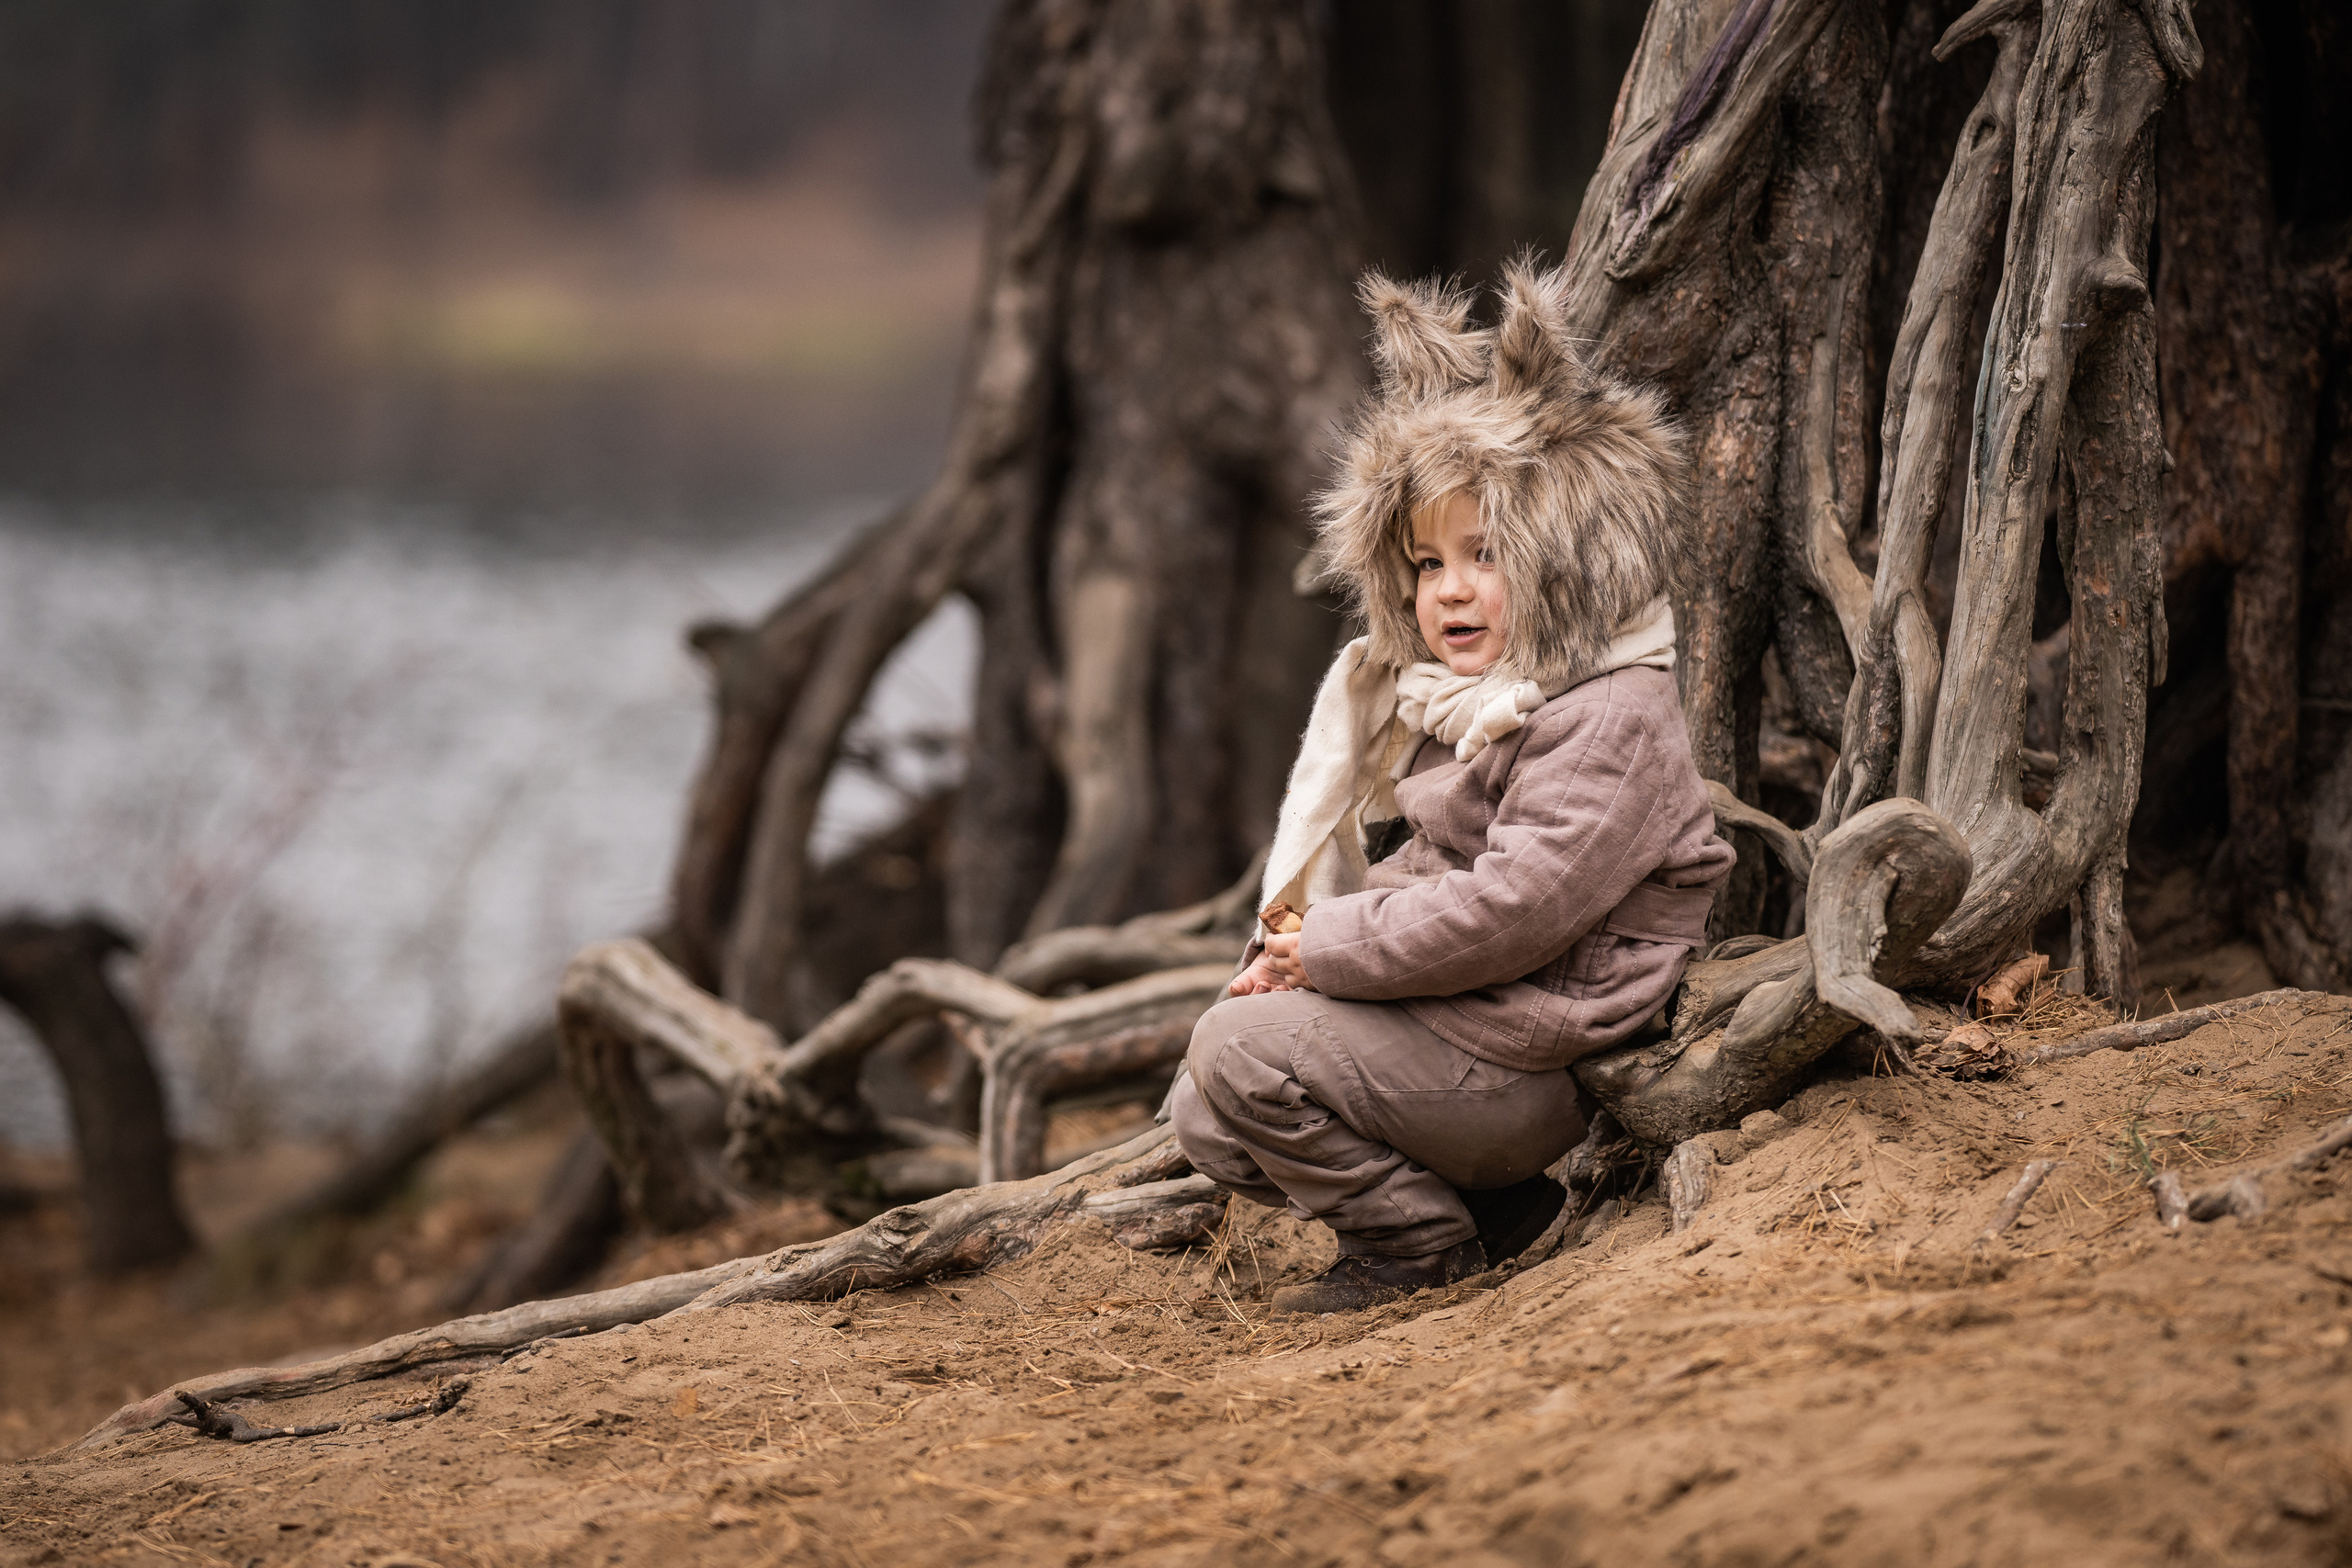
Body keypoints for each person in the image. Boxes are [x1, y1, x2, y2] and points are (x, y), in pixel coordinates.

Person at [1166, 260, 1736, 1314]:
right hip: (1466, 1025)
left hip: (1540, 1054)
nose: (1451, 589)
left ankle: (1418, 1247)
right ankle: (1491, 1216)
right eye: (1426, 565)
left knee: (1236, 1059)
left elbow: (1510, 910)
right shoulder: (1478, 705)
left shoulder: (1607, 716)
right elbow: (1426, 868)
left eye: (1486, 554)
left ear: (1573, 560)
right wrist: (1291, 960)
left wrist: (1326, 953)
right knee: (1204, 1108)